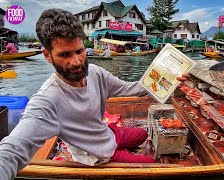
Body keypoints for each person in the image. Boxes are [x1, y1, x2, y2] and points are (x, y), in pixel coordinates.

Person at [0, 8, 189, 179]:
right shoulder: (47, 101)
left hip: (108, 134)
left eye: (79, 51)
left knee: (141, 134)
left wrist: (170, 80)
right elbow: (13, 150)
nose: (76, 62)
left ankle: (117, 142)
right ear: (47, 55)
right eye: (65, 55)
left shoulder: (96, 73)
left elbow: (129, 89)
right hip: (97, 155)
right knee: (154, 168)